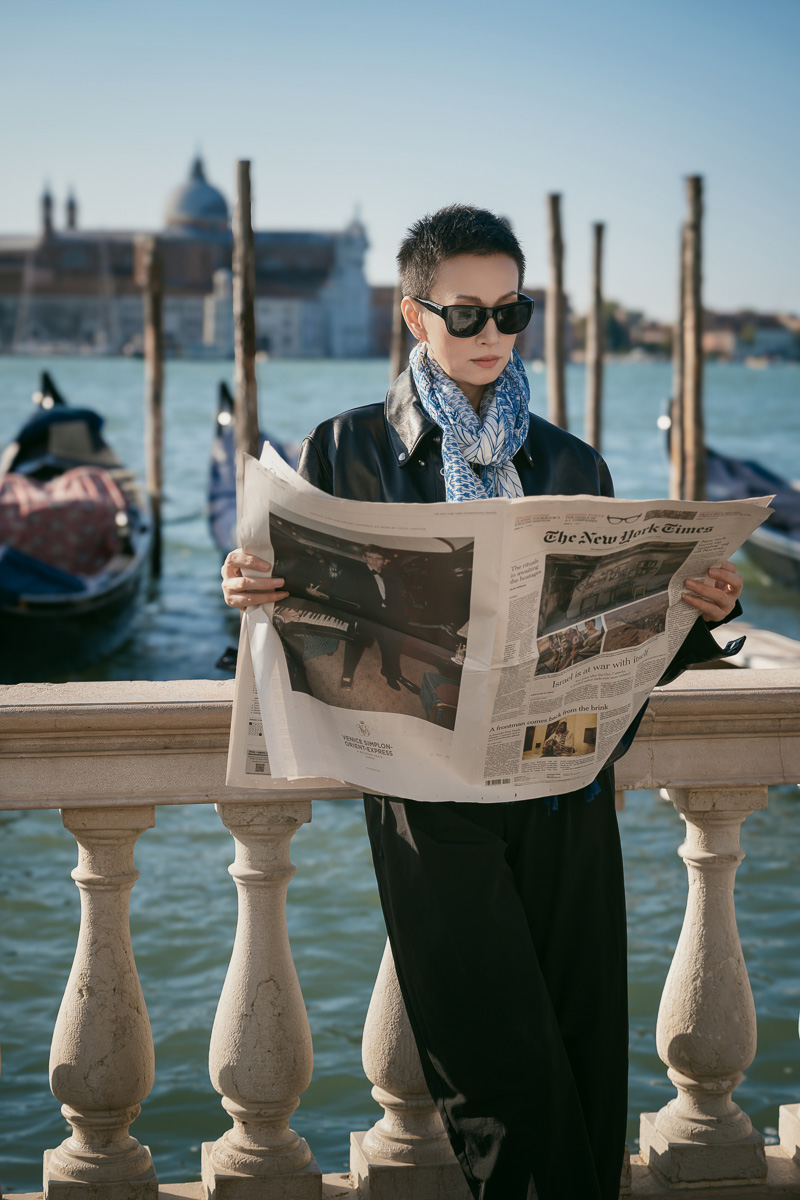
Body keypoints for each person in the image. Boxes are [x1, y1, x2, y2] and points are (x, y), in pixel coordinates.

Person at [221, 205, 744, 1200]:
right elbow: (290, 640)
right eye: (464, 316)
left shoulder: (569, 462)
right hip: (430, 808)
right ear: (414, 319)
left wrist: (690, 614)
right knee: (500, 1079)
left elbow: (624, 650)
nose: (491, 336)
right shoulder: (342, 450)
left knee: (584, 1064)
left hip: (568, 793)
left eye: (512, 312)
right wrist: (248, 592)